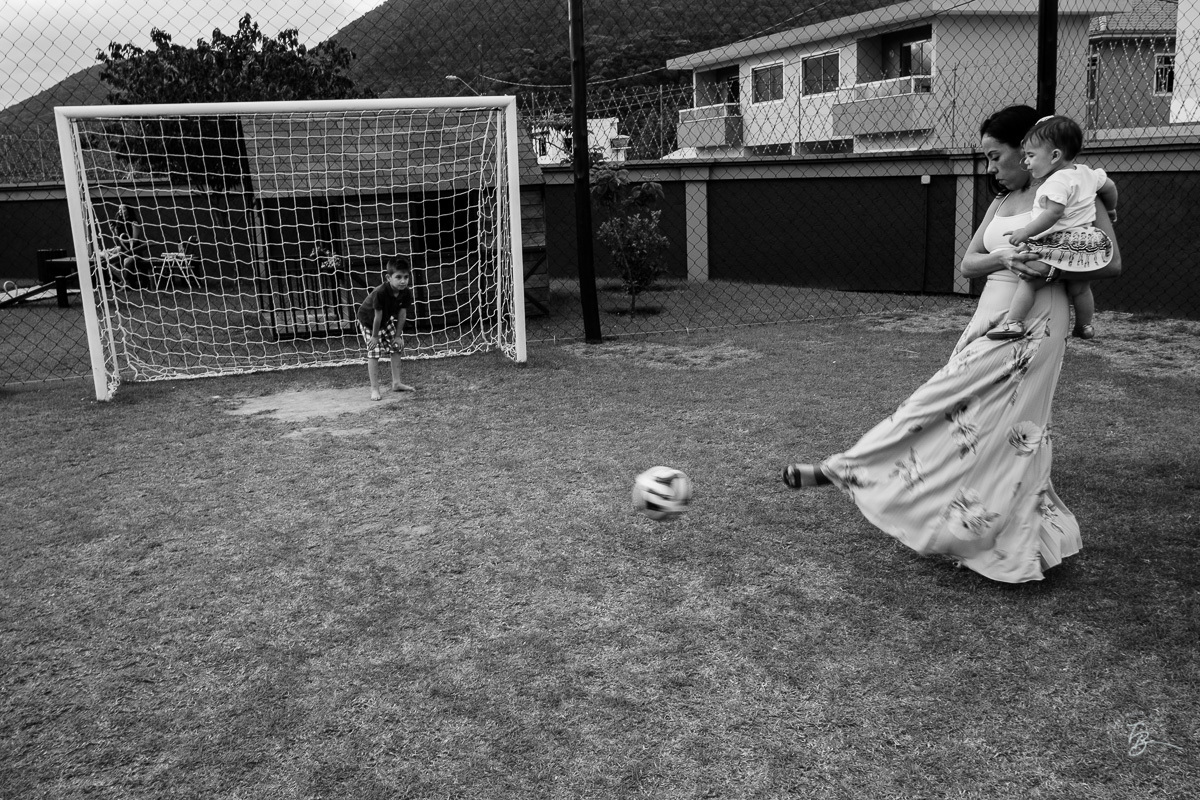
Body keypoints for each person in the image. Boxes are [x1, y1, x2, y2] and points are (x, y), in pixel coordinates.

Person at [781, 105, 1123, 584]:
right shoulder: (1001, 204)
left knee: (996, 425)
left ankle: (847, 469)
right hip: (991, 313)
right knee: (963, 420)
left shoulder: (1077, 191)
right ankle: (964, 525)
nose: (991, 167)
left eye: (996, 155)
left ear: (1031, 151)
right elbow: (969, 264)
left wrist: (1052, 263)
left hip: (1038, 320)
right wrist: (1007, 254)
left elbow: (1110, 263)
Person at [988, 114, 1119, 341]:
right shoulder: (1089, 173)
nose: (1026, 162)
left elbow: (1053, 213)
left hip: (1059, 244)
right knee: (1080, 289)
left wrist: (1025, 231)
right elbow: (1110, 187)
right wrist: (1111, 209)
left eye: (1030, 156)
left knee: (1028, 279)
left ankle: (1014, 322)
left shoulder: (1056, 182)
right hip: (1086, 243)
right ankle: (1085, 325)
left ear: (1055, 155)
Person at [357, 258, 416, 401]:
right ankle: (374, 389)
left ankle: (396, 383)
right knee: (374, 351)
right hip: (368, 321)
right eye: (398, 277)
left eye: (406, 277)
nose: (403, 281)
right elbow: (377, 317)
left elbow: (402, 315)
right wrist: (375, 336)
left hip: (385, 321)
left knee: (396, 347)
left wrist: (397, 336)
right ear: (388, 278)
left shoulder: (406, 293)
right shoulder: (381, 292)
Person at [111, 203, 150, 287]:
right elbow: (117, 240)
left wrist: (124, 240)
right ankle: (125, 281)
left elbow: (135, 240)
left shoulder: (134, 223)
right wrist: (114, 230)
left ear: (128, 210)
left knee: (126, 262)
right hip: (124, 250)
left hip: (134, 251)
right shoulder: (119, 224)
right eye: (119, 209)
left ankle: (125, 281)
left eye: (123, 209)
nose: (120, 211)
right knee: (111, 261)